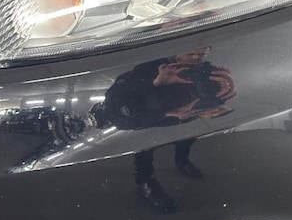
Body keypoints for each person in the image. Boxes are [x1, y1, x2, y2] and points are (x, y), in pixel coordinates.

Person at [96, 48, 236, 211]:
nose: (195, 58)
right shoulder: (153, 66)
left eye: (202, 54)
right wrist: (156, 83)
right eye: (191, 53)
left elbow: (211, 95)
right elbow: (119, 97)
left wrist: (223, 95)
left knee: (187, 138)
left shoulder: (204, 70)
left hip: (185, 118)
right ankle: (145, 181)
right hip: (152, 120)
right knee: (145, 149)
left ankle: (182, 160)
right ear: (178, 49)